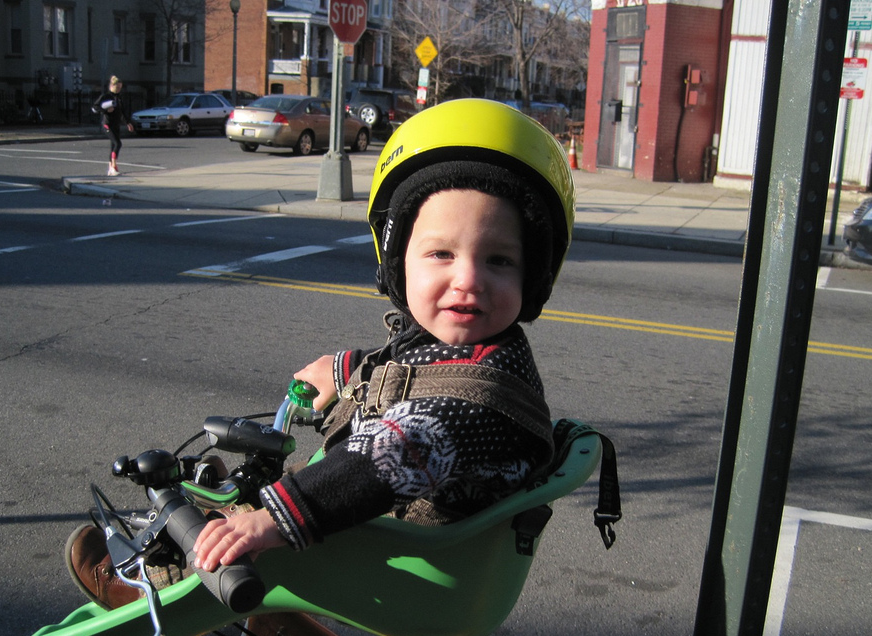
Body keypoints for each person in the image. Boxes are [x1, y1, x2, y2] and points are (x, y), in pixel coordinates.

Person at [67, 98, 576, 608]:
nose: (467, 279)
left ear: (532, 277)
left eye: (499, 260)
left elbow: (391, 453)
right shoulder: (487, 349)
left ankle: (151, 583)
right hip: (403, 534)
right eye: (442, 253)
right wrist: (346, 368)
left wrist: (272, 520)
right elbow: (422, 370)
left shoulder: (475, 406)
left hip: (401, 563)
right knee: (265, 484)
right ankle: (238, 511)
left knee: (231, 544)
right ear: (398, 261)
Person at [92, 75, 133, 177]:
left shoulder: (119, 98)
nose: (119, 89)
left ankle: (111, 168)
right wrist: (106, 110)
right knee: (117, 143)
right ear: (112, 86)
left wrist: (128, 123)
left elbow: (122, 112)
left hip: (116, 125)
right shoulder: (106, 96)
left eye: (120, 88)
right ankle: (114, 166)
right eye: (117, 87)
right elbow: (95, 107)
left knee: (113, 147)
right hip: (107, 124)